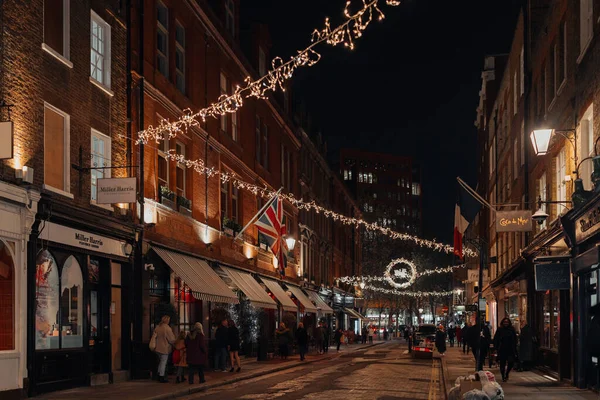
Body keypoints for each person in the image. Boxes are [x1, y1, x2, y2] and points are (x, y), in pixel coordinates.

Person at [494, 317, 518, 382]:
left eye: (507, 322)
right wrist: (496, 348)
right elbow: (496, 339)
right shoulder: (500, 329)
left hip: (510, 349)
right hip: (502, 349)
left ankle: (507, 373)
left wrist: (515, 346)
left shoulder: (512, 329)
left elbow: (515, 339)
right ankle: (503, 376)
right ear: (502, 323)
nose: (506, 323)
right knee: (502, 363)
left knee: (511, 362)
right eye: (504, 322)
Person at [153, 315, 176, 383]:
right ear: (167, 320)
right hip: (165, 348)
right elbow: (171, 339)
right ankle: (162, 377)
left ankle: (158, 374)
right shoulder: (167, 328)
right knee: (163, 362)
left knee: (160, 362)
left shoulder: (157, 327)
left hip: (157, 347)